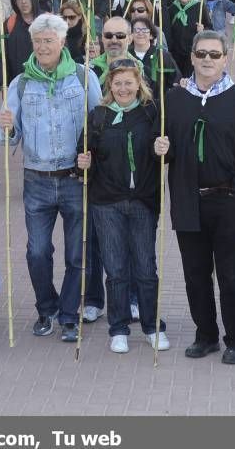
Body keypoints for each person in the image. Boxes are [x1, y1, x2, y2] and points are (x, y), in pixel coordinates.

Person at [154, 30, 235, 365]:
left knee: (231, 273)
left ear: (225, 58)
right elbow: (164, 147)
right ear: (191, 56)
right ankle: (206, 334)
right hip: (189, 199)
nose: (207, 60)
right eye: (201, 54)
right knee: (195, 273)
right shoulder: (174, 99)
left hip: (229, 200)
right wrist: (161, 150)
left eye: (214, 55)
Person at [0, 14, 102, 342]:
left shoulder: (84, 78)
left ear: (62, 42)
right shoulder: (20, 83)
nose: (42, 47)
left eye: (48, 41)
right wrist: (5, 126)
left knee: (77, 252)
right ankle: (47, 308)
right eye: (37, 41)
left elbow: (100, 126)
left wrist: (92, 155)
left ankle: (69, 316)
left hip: (74, 177)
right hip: (37, 179)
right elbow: (6, 139)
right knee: (37, 251)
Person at [76, 60, 168, 354]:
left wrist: (162, 149)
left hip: (142, 199)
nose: (123, 89)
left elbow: (164, 152)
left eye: (129, 83)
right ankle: (118, 328)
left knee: (145, 266)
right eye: (117, 84)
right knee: (115, 269)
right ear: (109, 87)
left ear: (138, 83)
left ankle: (152, 326)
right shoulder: (99, 116)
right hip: (107, 202)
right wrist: (83, 164)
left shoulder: (152, 113)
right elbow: (83, 155)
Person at [0, 0, 43, 87]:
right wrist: (3, 84)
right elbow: (1, 57)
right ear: (15, 1)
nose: (24, 1)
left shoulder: (47, 21)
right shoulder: (8, 25)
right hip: (18, 85)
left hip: (45, 85)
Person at [167, 0, 213, 77]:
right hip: (176, 51)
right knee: (178, 77)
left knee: (190, 77)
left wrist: (203, 29)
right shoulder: (172, 8)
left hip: (192, 50)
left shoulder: (199, 7)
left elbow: (210, 27)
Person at [130, 15, 180, 96]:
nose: (140, 33)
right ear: (131, 35)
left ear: (151, 35)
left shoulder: (163, 56)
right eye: (136, 30)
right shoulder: (126, 56)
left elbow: (175, 80)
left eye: (144, 30)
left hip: (157, 104)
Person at [91, 17, 143, 85]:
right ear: (103, 38)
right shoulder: (90, 71)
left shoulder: (139, 70)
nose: (114, 40)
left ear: (130, 39)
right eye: (108, 35)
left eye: (120, 36)